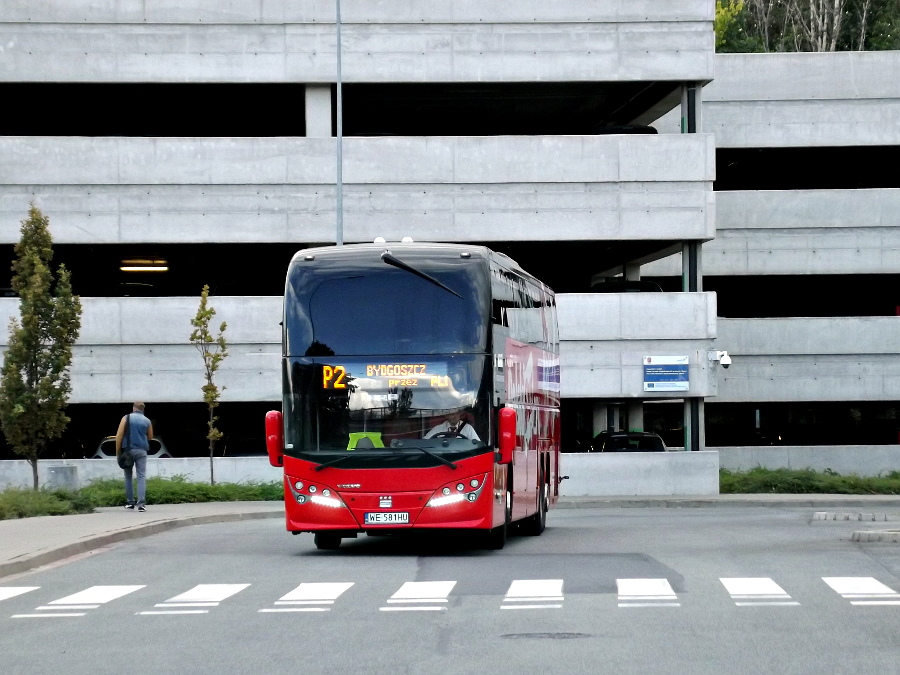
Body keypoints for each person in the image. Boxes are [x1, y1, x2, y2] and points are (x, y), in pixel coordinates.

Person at [116, 402, 154, 512]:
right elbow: (150, 437)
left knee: (128, 476)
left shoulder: (126, 418)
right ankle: (141, 504)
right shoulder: (147, 420)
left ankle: (130, 502)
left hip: (128, 451)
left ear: (133, 408)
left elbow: (119, 435)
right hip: (142, 451)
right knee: (141, 477)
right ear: (143, 409)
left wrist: (118, 452)